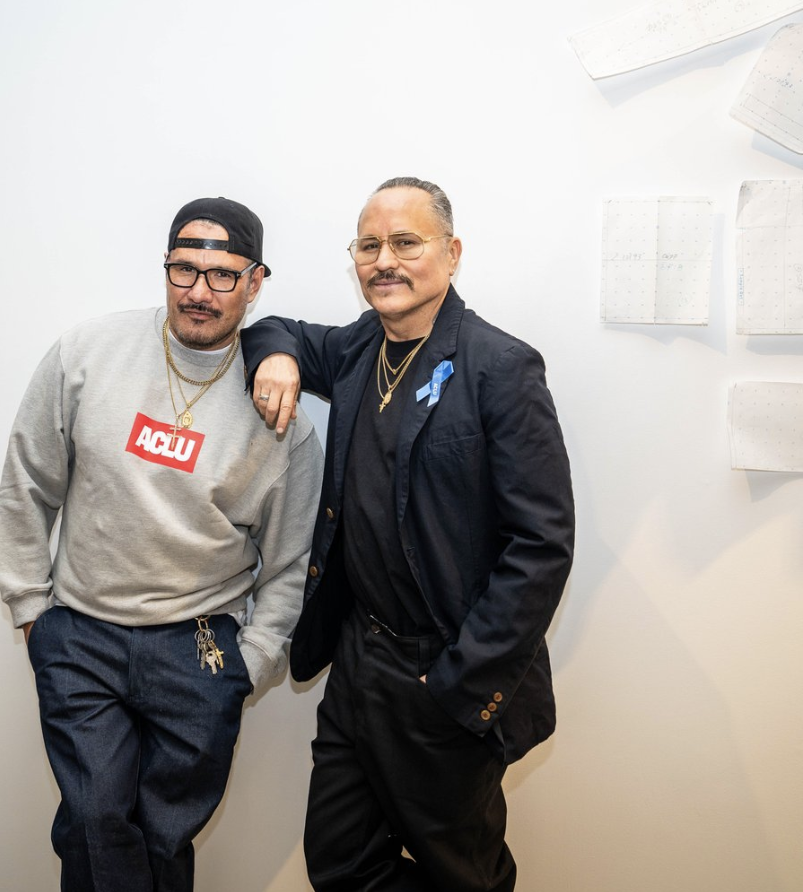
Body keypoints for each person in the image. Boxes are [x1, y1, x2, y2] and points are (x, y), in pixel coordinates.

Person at [242, 177, 575, 892]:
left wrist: (456, 686)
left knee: (463, 875)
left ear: (451, 254)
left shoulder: (502, 368)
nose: (384, 260)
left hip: (443, 674)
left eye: (405, 242)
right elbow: (279, 329)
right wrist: (276, 356)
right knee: (341, 863)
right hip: (359, 662)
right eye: (369, 245)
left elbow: (542, 546)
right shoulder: (366, 346)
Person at [0, 196, 323, 892]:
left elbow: (290, 564)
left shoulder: (283, 419)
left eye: (222, 275)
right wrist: (30, 608)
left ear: (257, 282)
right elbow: (28, 479)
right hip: (82, 633)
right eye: (184, 269)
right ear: (165, 267)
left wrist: (251, 662)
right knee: (94, 819)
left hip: (200, 650)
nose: (199, 292)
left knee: (163, 837)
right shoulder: (87, 353)